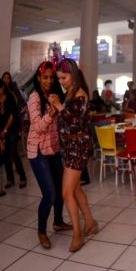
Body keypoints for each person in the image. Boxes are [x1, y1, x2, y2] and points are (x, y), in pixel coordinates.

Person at [48, 59, 97, 252]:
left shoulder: (80, 94)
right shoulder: (69, 94)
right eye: (59, 78)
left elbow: (75, 121)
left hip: (78, 147)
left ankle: (78, 234)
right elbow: (65, 118)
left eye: (64, 77)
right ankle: (91, 222)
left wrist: (59, 107)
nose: (61, 81)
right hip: (69, 147)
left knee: (66, 192)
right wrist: (56, 108)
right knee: (75, 190)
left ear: (73, 75)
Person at [26, 62, 72, 249]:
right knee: (50, 194)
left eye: (51, 77)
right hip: (37, 151)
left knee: (61, 190)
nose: (49, 80)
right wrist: (52, 113)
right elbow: (38, 126)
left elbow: (59, 123)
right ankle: (42, 231)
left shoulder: (52, 96)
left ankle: (58, 221)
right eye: (45, 77)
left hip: (53, 149)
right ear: (38, 78)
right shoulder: (34, 97)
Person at [0, 77, 27, 189]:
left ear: (2, 87)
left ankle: (22, 177)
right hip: (1, 129)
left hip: (11, 128)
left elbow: (12, 116)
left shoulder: (10, 97)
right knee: (5, 155)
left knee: (13, 153)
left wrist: (5, 130)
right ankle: (10, 179)